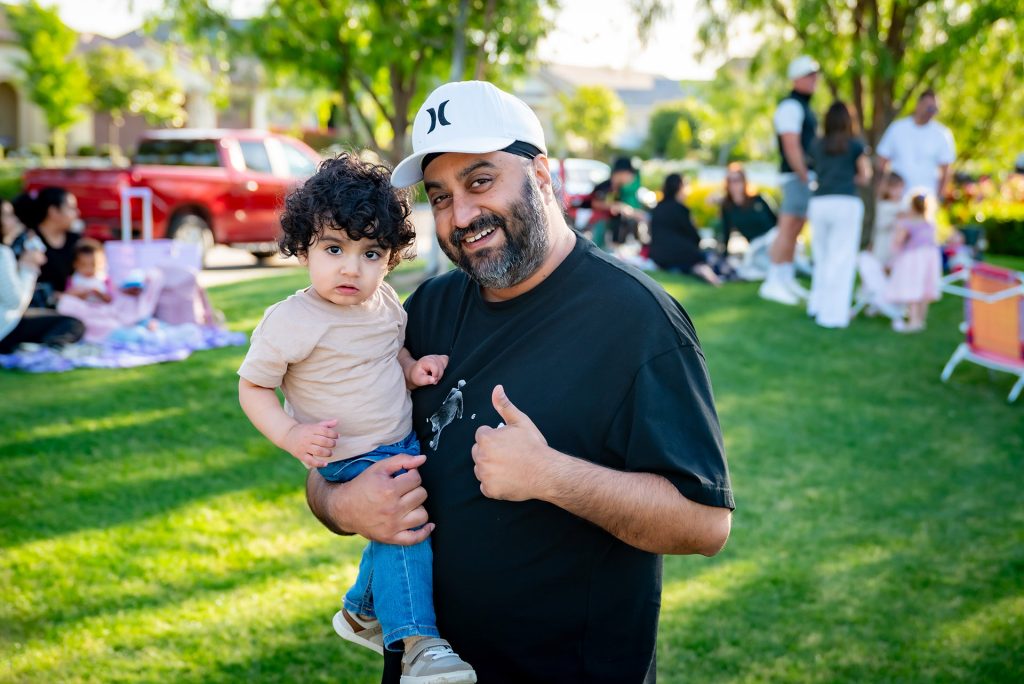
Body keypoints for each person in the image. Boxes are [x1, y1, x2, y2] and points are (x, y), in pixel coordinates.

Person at [305, 80, 734, 684]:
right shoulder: (424, 310)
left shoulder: (636, 321)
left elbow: (705, 523)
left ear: (541, 173)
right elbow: (329, 463)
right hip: (423, 669)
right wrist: (345, 504)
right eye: (440, 196)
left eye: (480, 181)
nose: (462, 216)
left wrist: (550, 476)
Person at [236, 154, 476, 684]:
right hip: (348, 453)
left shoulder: (385, 302)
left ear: (390, 259)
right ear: (303, 248)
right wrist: (289, 433)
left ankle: (361, 610)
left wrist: (415, 370)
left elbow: (390, 351)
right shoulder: (293, 320)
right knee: (402, 531)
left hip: (396, 439)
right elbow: (252, 385)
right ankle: (417, 643)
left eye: (371, 252)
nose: (352, 268)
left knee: (394, 519)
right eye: (334, 249)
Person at [805, 101, 872, 329]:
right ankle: (833, 315)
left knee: (822, 257)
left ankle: (817, 306)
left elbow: (814, 170)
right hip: (845, 203)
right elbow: (865, 176)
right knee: (841, 260)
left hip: (820, 202)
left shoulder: (816, 145)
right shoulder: (855, 145)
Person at [761, 55, 820, 305]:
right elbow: (791, 146)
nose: (814, 79)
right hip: (796, 176)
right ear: (796, 79)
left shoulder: (803, 107)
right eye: (808, 75)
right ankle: (773, 281)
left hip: (803, 176)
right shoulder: (791, 107)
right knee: (788, 228)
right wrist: (805, 176)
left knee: (796, 229)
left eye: (815, 74)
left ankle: (785, 278)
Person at [1, 198, 85, 353]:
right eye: (8, 215)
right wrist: (28, 267)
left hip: (9, 321)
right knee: (72, 324)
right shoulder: (3, 252)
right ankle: (50, 348)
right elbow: (16, 303)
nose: (15, 220)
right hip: (5, 328)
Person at [876, 90, 956, 201]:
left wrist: (939, 197)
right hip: (896, 197)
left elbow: (946, 170)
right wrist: (882, 190)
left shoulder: (942, 134)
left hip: (925, 201)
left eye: (935, 109)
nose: (931, 112)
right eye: (929, 108)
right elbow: (882, 161)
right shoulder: (897, 128)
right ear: (919, 104)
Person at [11, 187, 82, 308]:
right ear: (53, 211)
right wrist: (55, 296)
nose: (77, 213)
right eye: (71, 208)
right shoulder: (28, 242)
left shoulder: (75, 240)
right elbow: (14, 286)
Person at [648, 173, 721, 286]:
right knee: (702, 259)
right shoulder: (681, 209)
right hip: (679, 254)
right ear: (679, 187)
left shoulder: (658, 208)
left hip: (658, 256)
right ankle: (713, 279)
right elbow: (695, 237)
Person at [886, 193, 941, 332]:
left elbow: (898, 241)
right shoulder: (929, 223)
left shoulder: (907, 223)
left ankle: (913, 322)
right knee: (923, 288)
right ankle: (920, 320)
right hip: (930, 257)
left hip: (914, 258)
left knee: (913, 288)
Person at [718, 163, 777, 279]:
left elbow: (777, 222)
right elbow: (726, 232)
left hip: (772, 239)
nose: (734, 184)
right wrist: (724, 256)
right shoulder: (727, 207)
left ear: (744, 181)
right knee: (758, 267)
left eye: (737, 180)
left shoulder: (758, 199)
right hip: (755, 246)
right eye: (730, 180)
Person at [588, 157, 646, 250]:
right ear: (621, 173)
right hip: (599, 228)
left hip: (614, 232)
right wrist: (617, 206)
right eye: (629, 174)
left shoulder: (621, 189)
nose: (631, 178)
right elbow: (594, 203)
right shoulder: (605, 186)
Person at [871, 172, 906, 267]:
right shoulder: (883, 205)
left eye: (900, 188)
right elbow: (880, 224)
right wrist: (895, 218)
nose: (898, 191)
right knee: (880, 265)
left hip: (897, 242)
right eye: (894, 188)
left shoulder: (903, 205)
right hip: (884, 241)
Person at [64, 238, 113, 303]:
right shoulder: (73, 279)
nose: (89, 269)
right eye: (83, 265)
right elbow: (67, 296)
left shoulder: (104, 279)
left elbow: (110, 299)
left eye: (93, 265)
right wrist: (79, 294)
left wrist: (100, 294)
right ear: (75, 264)